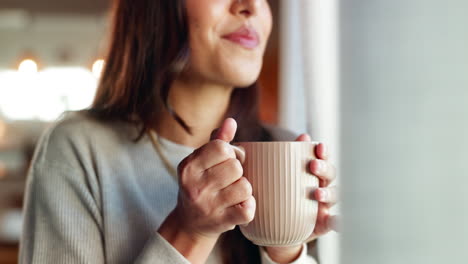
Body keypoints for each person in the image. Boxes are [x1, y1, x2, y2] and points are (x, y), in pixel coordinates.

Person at [19, 0, 338, 263]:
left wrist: (286, 244)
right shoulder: (78, 150)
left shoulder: (284, 147)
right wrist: (190, 233)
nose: (251, 6)